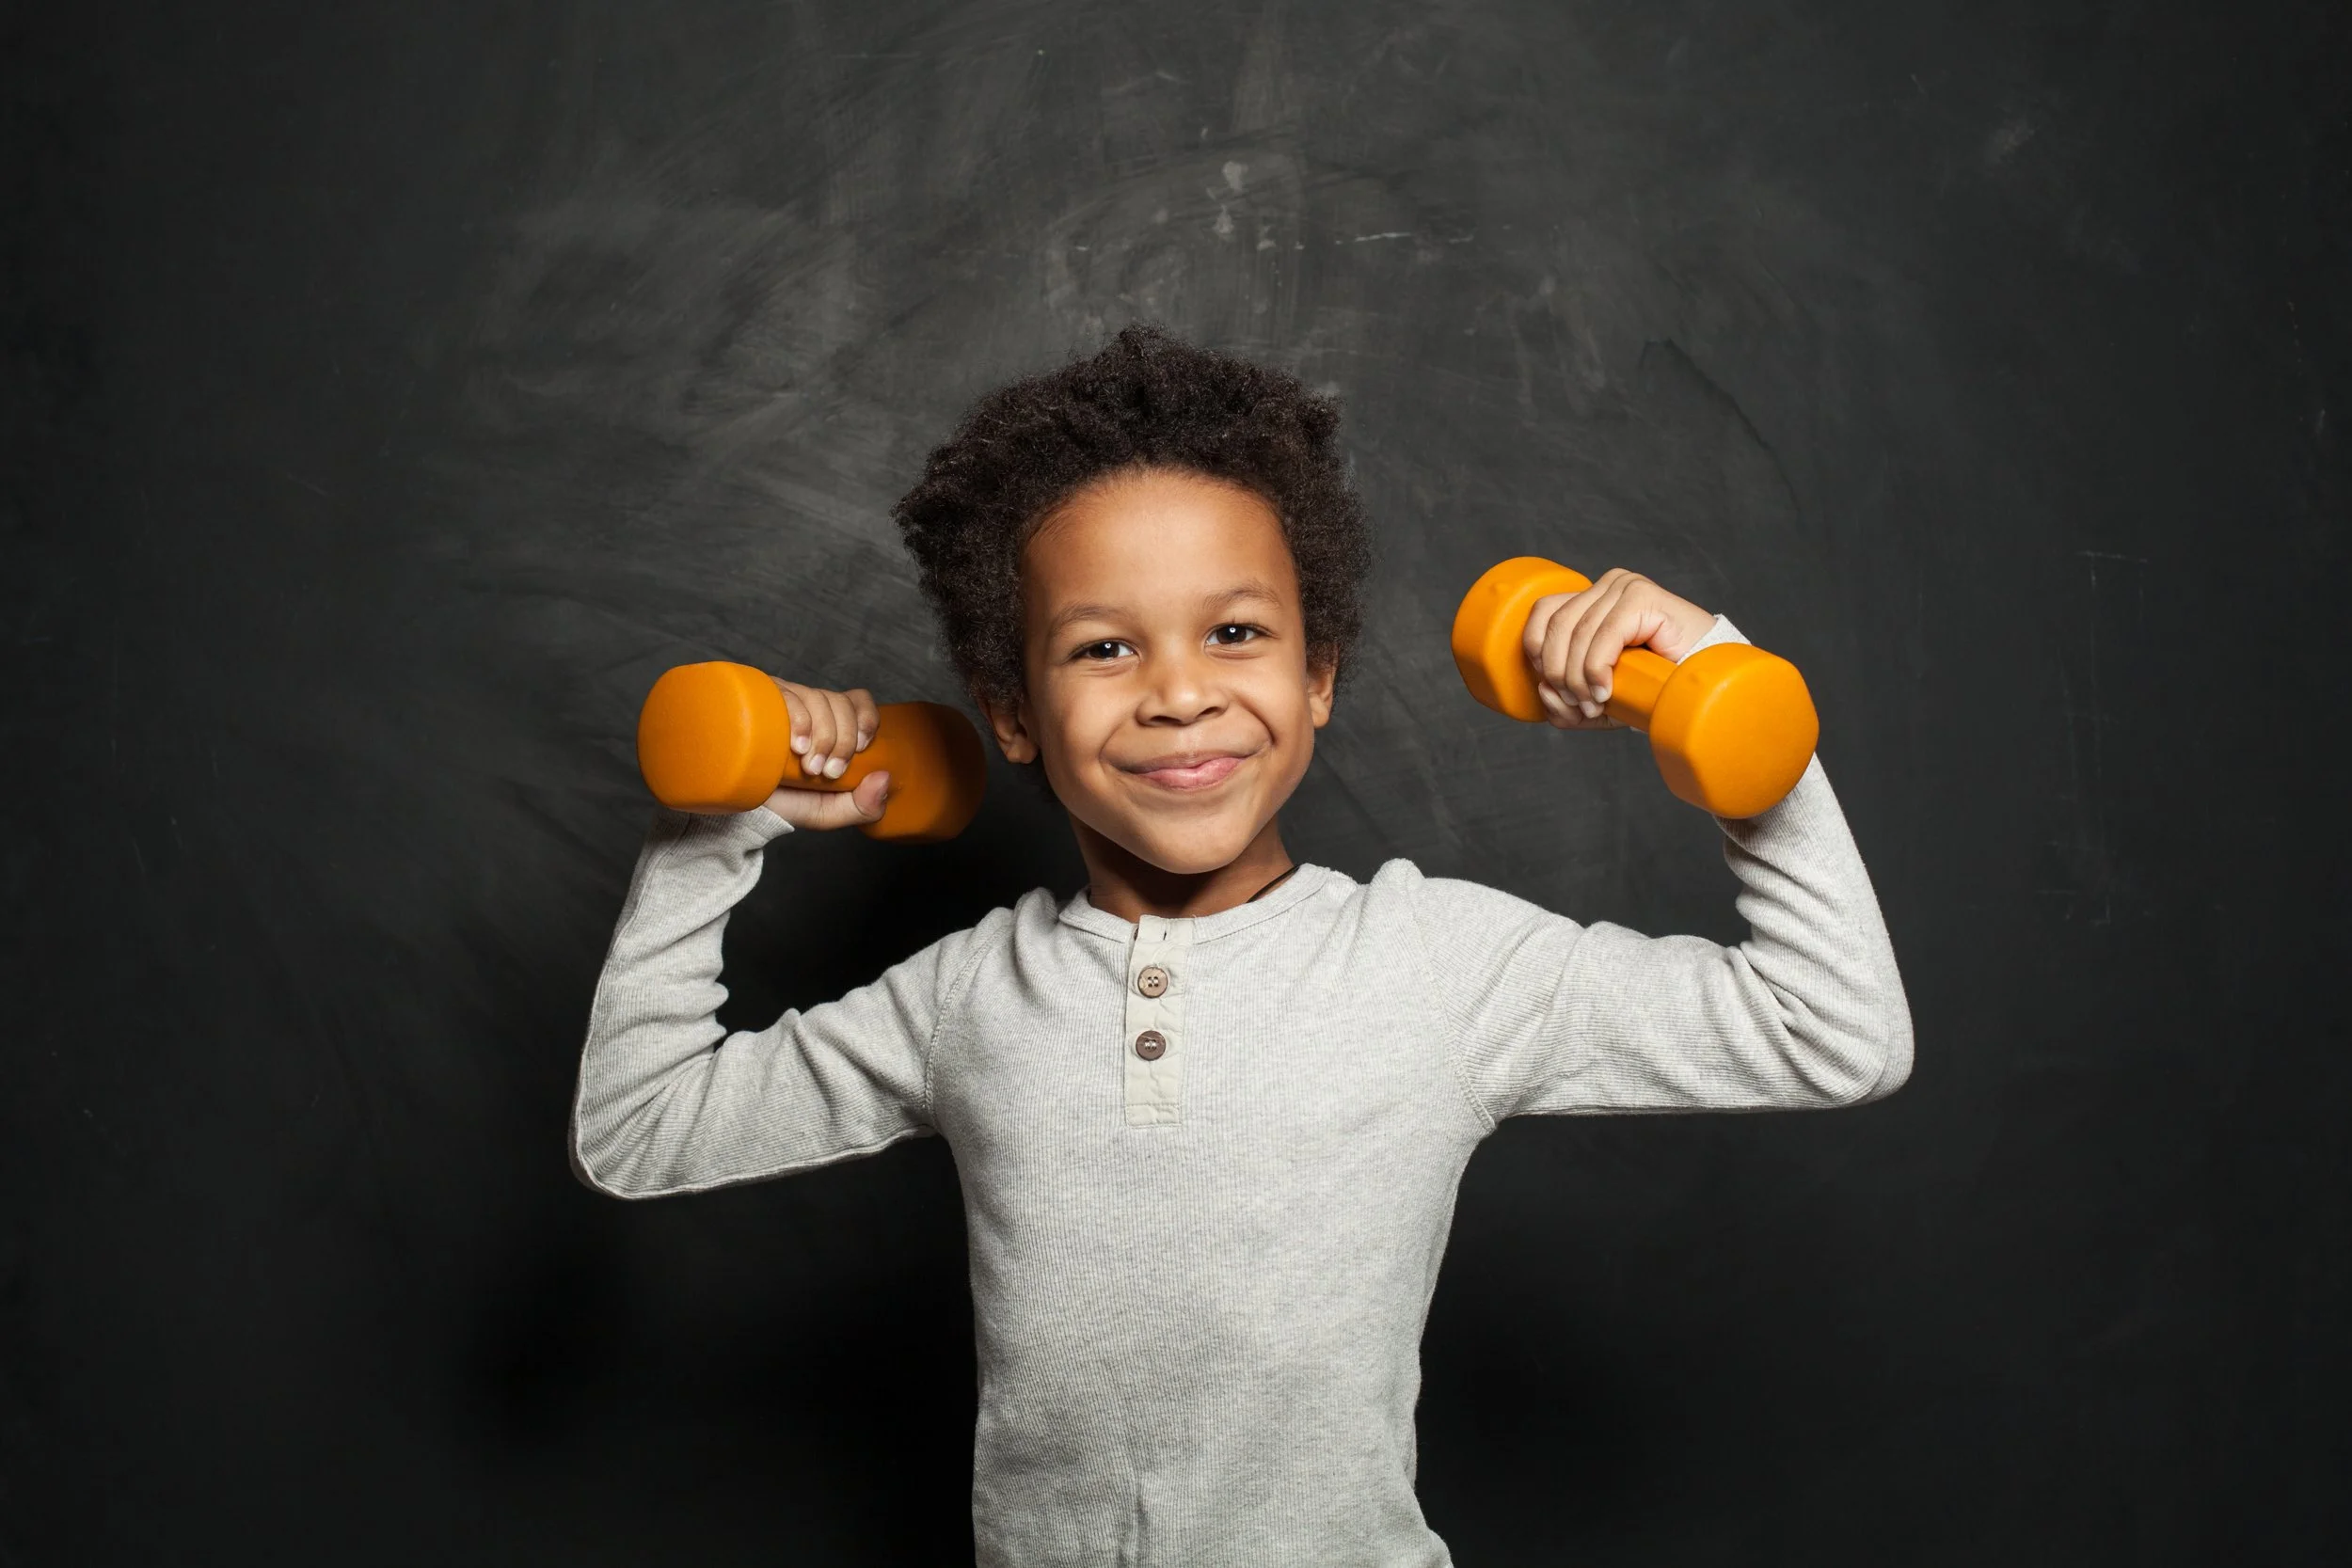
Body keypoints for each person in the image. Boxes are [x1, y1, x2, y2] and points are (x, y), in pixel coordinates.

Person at [570, 325, 1912, 1565]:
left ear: (1318, 672)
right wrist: (720, 830)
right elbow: (640, 1126)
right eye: (1103, 646)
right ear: (1014, 711)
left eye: (1235, 631)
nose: (1179, 691)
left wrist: (1719, 686)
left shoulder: (1437, 964)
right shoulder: (973, 994)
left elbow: (1832, 1029)